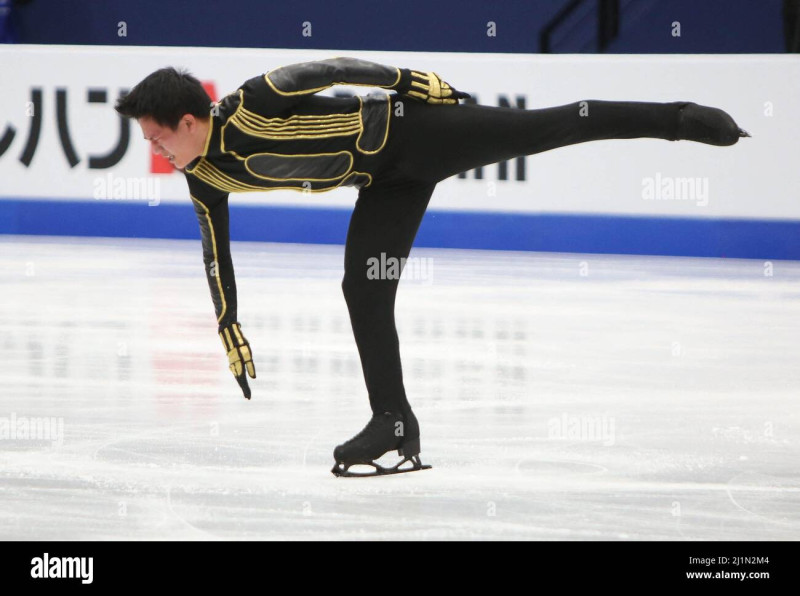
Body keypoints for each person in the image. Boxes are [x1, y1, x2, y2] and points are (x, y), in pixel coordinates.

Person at [115, 56, 748, 477]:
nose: (154, 149)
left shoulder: (255, 99)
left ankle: (676, 119)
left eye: (156, 137)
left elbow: (334, 66)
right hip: (386, 182)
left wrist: (414, 82)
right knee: (364, 290)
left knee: (541, 129)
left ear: (189, 120)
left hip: (418, 131)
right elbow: (214, 254)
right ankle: (393, 422)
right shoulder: (203, 175)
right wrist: (229, 326)